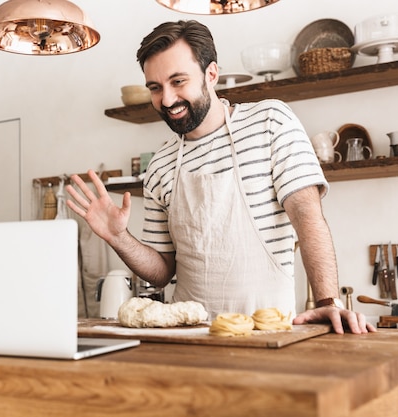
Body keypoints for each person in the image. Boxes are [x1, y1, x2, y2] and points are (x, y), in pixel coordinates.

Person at [66, 20, 375, 334]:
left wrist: (327, 300)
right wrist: (118, 237)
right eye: (156, 88)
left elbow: (307, 218)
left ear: (211, 74)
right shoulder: (160, 164)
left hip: (268, 332)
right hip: (191, 339)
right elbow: (161, 272)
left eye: (178, 81)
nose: (168, 100)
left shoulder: (271, 123)